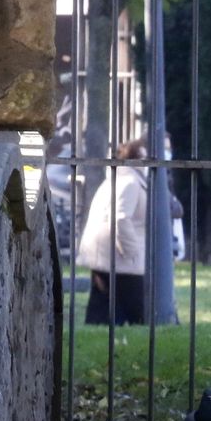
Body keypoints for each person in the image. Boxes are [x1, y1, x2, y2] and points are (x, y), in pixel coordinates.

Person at [77, 137, 150, 325]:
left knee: (104, 307)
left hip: (109, 255)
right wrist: (132, 252)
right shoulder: (131, 182)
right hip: (121, 257)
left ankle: (101, 337)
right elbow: (121, 218)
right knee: (137, 310)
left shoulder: (121, 178)